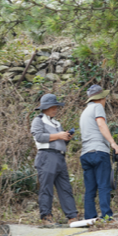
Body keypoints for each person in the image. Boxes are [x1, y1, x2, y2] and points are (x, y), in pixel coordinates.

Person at [31, 94, 78, 225]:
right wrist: (58, 135)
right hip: (46, 156)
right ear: (45, 107)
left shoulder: (57, 123)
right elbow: (39, 137)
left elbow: (58, 141)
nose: (55, 109)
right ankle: (46, 216)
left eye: (56, 107)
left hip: (60, 157)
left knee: (65, 187)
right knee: (46, 187)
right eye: (53, 107)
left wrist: (65, 138)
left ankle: (72, 216)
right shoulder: (38, 120)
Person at [79, 85, 118, 220]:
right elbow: (101, 124)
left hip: (85, 154)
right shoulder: (98, 107)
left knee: (90, 189)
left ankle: (90, 217)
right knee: (104, 185)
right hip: (99, 152)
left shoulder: (84, 112)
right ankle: (106, 217)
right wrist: (113, 144)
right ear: (101, 97)